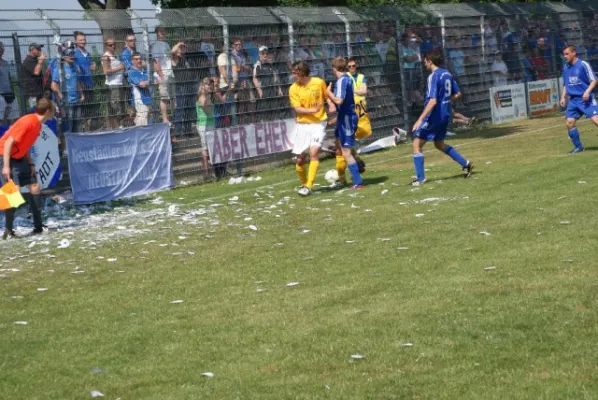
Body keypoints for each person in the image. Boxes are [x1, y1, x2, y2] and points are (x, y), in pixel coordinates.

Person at [411, 50, 473, 186]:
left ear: (429, 60)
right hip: (445, 115)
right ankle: (466, 163)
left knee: (416, 144)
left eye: (425, 61)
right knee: (439, 144)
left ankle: (420, 178)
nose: (424, 63)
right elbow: (458, 94)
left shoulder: (433, 76)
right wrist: (446, 100)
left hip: (434, 116)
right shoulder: (447, 74)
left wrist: (420, 119)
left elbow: (432, 101)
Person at [1, 97, 55, 239]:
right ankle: (8, 231)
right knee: (13, 191)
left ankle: (38, 227)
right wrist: (6, 166)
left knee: (35, 186)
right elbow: (8, 144)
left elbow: (23, 145)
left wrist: (30, 163)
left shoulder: (37, 125)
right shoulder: (28, 121)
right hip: (4, 155)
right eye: (53, 111)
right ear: (48, 111)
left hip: (19, 157)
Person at [288, 61, 328, 196]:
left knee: (314, 152)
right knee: (300, 158)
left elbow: (327, 96)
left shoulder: (318, 82)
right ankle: (304, 183)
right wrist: (313, 110)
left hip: (318, 124)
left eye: (295, 72)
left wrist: (333, 105)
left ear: (301, 72)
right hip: (303, 125)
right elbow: (297, 108)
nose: (293, 75)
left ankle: (309, 186)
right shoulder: (293, 88)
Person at [326, 57, 364, 190]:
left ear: (334, 68)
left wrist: (328, 93)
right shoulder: (346, 79)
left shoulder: (342, 81)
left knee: (346, 151)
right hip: (343, 117)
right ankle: (357, 165)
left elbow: (339, 101)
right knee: (341, 147)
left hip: (347, 118)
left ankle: (358, 182)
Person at [560, 45, 598, 154]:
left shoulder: (583, 65)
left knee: (596, 120)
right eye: (564, 54)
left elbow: (594, 80)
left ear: (574, 53)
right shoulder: (565, 68)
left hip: (586, 99)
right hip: (573, 101)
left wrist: (587, 91)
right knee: (569, 123)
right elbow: (566, 84)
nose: (565, 56)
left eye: (567, 54)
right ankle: (579, 147)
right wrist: (563, 97)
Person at [51, 44, 84, 133]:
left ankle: (76, 145)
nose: (72, 56)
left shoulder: (74, 67)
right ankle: (67, 145)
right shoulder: (60, 69)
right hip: (67, 103)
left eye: (73, 53)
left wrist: (81, 94)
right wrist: (60, 94)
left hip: (76, 101)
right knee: (68, 127)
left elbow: (77, 82)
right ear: (64, 56)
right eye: (70, 54)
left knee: (77, 126)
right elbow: (53, 85)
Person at [73, 31, 97, 131]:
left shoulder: (88, 53)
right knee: (82, 110)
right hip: (81, 85)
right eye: (80, 40)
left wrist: (93, 66)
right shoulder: (74, 53)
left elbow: (91, 66)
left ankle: (89, 129)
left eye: (84, 39)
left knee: (90, 109)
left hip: (89, 84)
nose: (83, 41)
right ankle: (82, 129)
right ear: (76, 41)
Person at [252, 46, 283, 122]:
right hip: (264, 91)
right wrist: (260, 91)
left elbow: (275, 77)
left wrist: (279, 89)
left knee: (274, 112)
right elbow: (255, 79)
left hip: (272, 90)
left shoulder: (270, 65)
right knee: (264, 114)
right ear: (259, 54)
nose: (265, 55)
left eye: (266, 53)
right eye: (263, 53)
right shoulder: (257, 65)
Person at [151, 26, 173, 126]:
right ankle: (165, 119)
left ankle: (170, 117)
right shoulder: (156, 45)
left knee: (170, 98)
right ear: (157, 33)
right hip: (163, 74)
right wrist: (161, 75)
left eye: (164, 31)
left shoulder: (166, 44)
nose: (163, 33)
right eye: (160, 31)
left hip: (170, 73)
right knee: (164, 98)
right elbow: (156, 61)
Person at [101, 37, 125, 129]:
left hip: (119, 83)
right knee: (115, 108)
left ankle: (120, 126)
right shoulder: (106, 56)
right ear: (106, 46)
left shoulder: (116, 55)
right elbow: (106, 71)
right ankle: (115, 127)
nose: (113, 46)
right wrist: (119, 68)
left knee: (121, 107)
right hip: (112, 85)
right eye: (110, 45)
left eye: (114, 44)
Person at [196, 77, 215, 179]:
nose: (210, 86)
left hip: (211, 123)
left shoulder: (209, 96)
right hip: (203, 125)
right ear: (203, 85)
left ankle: (213, 171)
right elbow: (206, 111)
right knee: (205, 149)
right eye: (208, 84)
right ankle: (206, 174)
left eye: (211, 84)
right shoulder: (202, 96)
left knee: (211, 148)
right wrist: (208, 99)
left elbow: (222, 101)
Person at [128, 52, 151, 126]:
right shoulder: (132, 72)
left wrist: (147, 82)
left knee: (145, 119)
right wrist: (150, 82)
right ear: (132, 61)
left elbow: (156, 81)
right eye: (136, 59)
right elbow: (142, 85)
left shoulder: (145, 71)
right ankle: (141, 137)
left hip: (148, 99)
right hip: (140, 100)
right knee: (142, 121)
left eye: (140, 59)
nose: (139, 61)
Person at [20, 43, 46, 110]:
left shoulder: (35, 60)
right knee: (34, 113)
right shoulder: (28, 61)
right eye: (38, 49)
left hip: (38, 92)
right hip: (32, 94)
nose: (40, 51)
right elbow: (36, 72)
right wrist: (40, 61)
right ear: (32, 50)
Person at [0, 42, 15, 125]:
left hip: (9, 93)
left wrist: (12, 91)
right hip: (0, 95)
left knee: (11, 118)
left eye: (2, 49)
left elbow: (10, 78)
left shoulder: (5, 63)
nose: (2, 51)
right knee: (1, 118)